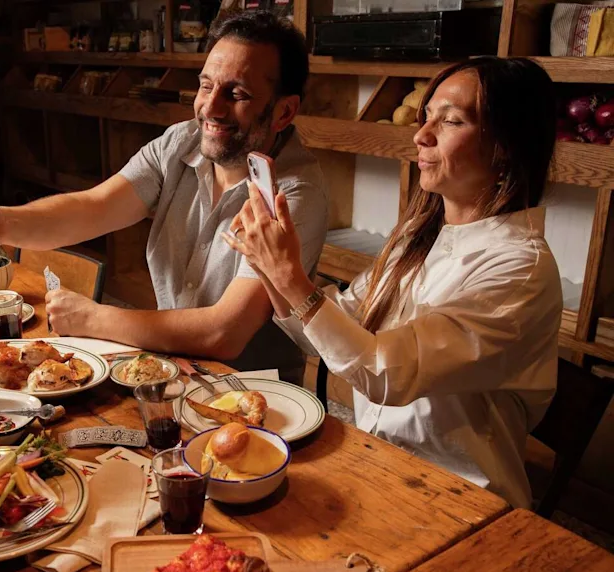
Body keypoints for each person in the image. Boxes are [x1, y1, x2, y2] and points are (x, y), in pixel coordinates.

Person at [225, 57, 561, 508]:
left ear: (506, 146)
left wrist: (289, 275)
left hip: (461, 497)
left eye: (451, 121)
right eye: (427, 116)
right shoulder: (417, 239)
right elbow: (333, 331)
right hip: (382, 465)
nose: (421, 135)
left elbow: (384, 374)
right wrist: (268, 266)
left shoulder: (520, 269)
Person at [0, 11, 328, 383]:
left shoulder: (294, 193)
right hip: (172, 371)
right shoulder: (180, 143)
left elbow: (224, 333)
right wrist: (2, 223)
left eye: (237, 94)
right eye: (206, 86)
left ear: (284, 112)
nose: (211, 108)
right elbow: (93, 208)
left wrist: (95, 318)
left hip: (260, 393)